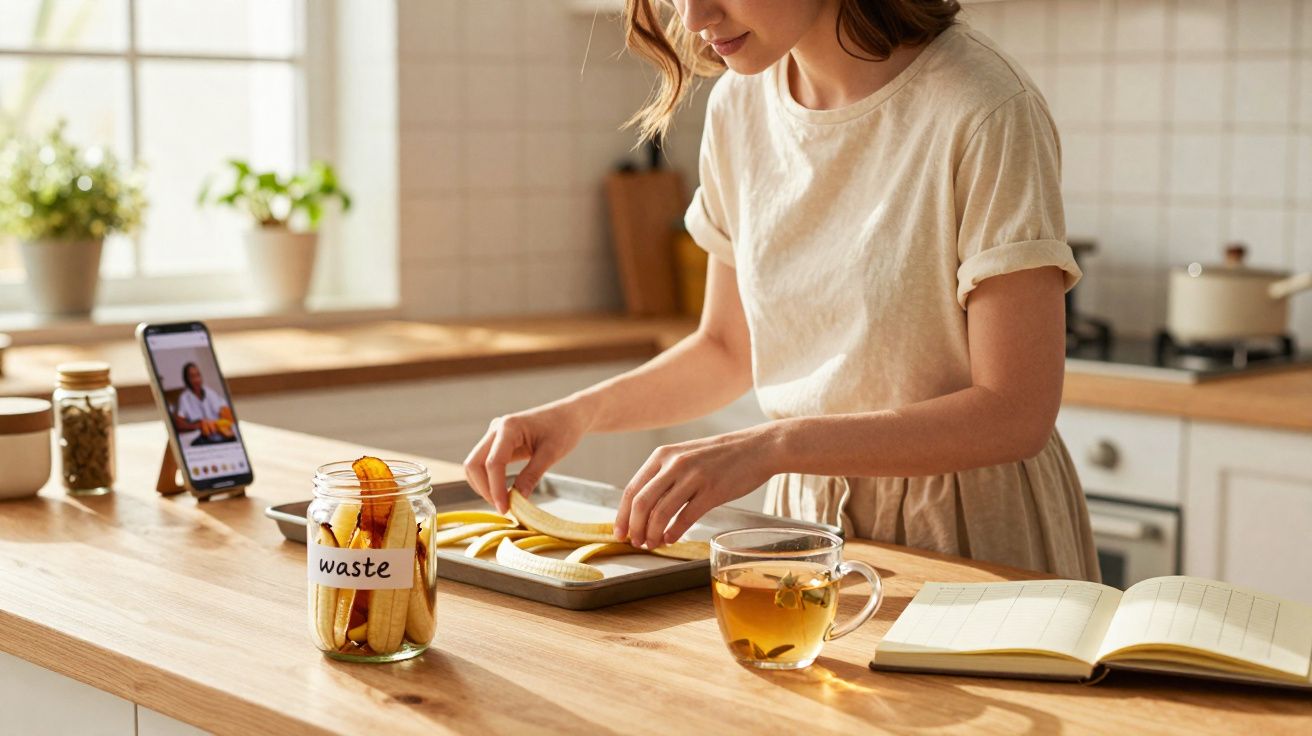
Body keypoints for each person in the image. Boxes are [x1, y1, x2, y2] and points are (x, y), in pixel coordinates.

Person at [465, 0, 1098, 581]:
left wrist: (773, 446)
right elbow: (724, 348)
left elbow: (1016, 413)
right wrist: (577, 415)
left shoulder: (984, 107)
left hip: (973, 533)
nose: (694, 17)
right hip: (807, 526)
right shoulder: (739, 108)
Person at [174, 362, 231, 440]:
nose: (197, 379)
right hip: (201, 435)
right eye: (192, 376)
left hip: (220, 432)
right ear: (187, 379)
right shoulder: (184, 398)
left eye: (198, 375)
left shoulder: (210, 392)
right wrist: (199, 425)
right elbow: (179, 424)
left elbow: (224, 409)